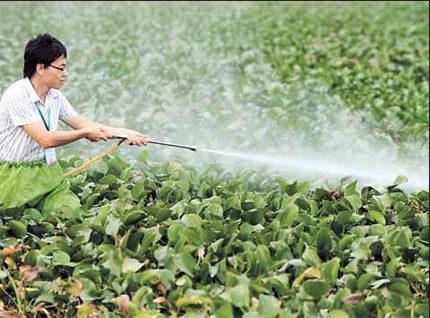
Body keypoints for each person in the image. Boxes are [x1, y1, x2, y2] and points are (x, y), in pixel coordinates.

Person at [0, 33, 148, 214]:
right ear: (40, 67)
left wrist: (125, 133)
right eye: (61, 68)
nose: (65, 74)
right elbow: (45, 139)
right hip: (14, 177)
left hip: (48, 175)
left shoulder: (55, 96)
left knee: (70, 212)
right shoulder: (17, 95)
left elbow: (83, 124)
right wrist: (84, 134)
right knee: (12, 219)